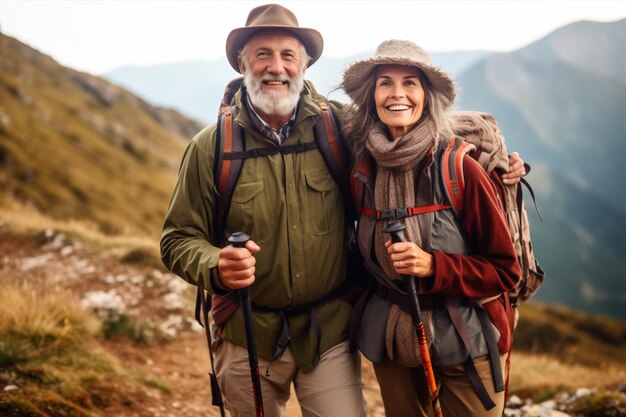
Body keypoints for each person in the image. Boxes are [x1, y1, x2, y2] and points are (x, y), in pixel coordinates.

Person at [160, 4, 526, 417]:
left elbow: (408, 128)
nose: (275, 66)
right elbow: (177, 238)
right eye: (262, 53)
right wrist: (215, 265)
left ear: (305, 64)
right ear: (243, 62)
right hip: (247, 333)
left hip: (328, 332)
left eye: (288, 55)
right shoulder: (211, 147)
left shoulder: (339, 128)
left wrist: (494, 159)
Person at [340, 39, 521, 417]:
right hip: (390, 338)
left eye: (410, 83)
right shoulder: (362, 167)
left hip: (466, 339)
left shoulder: (460, 169)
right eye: (385, 82)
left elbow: (505, 270)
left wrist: (433, 266)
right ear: (371, 96)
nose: (397, 93)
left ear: (427, 95)